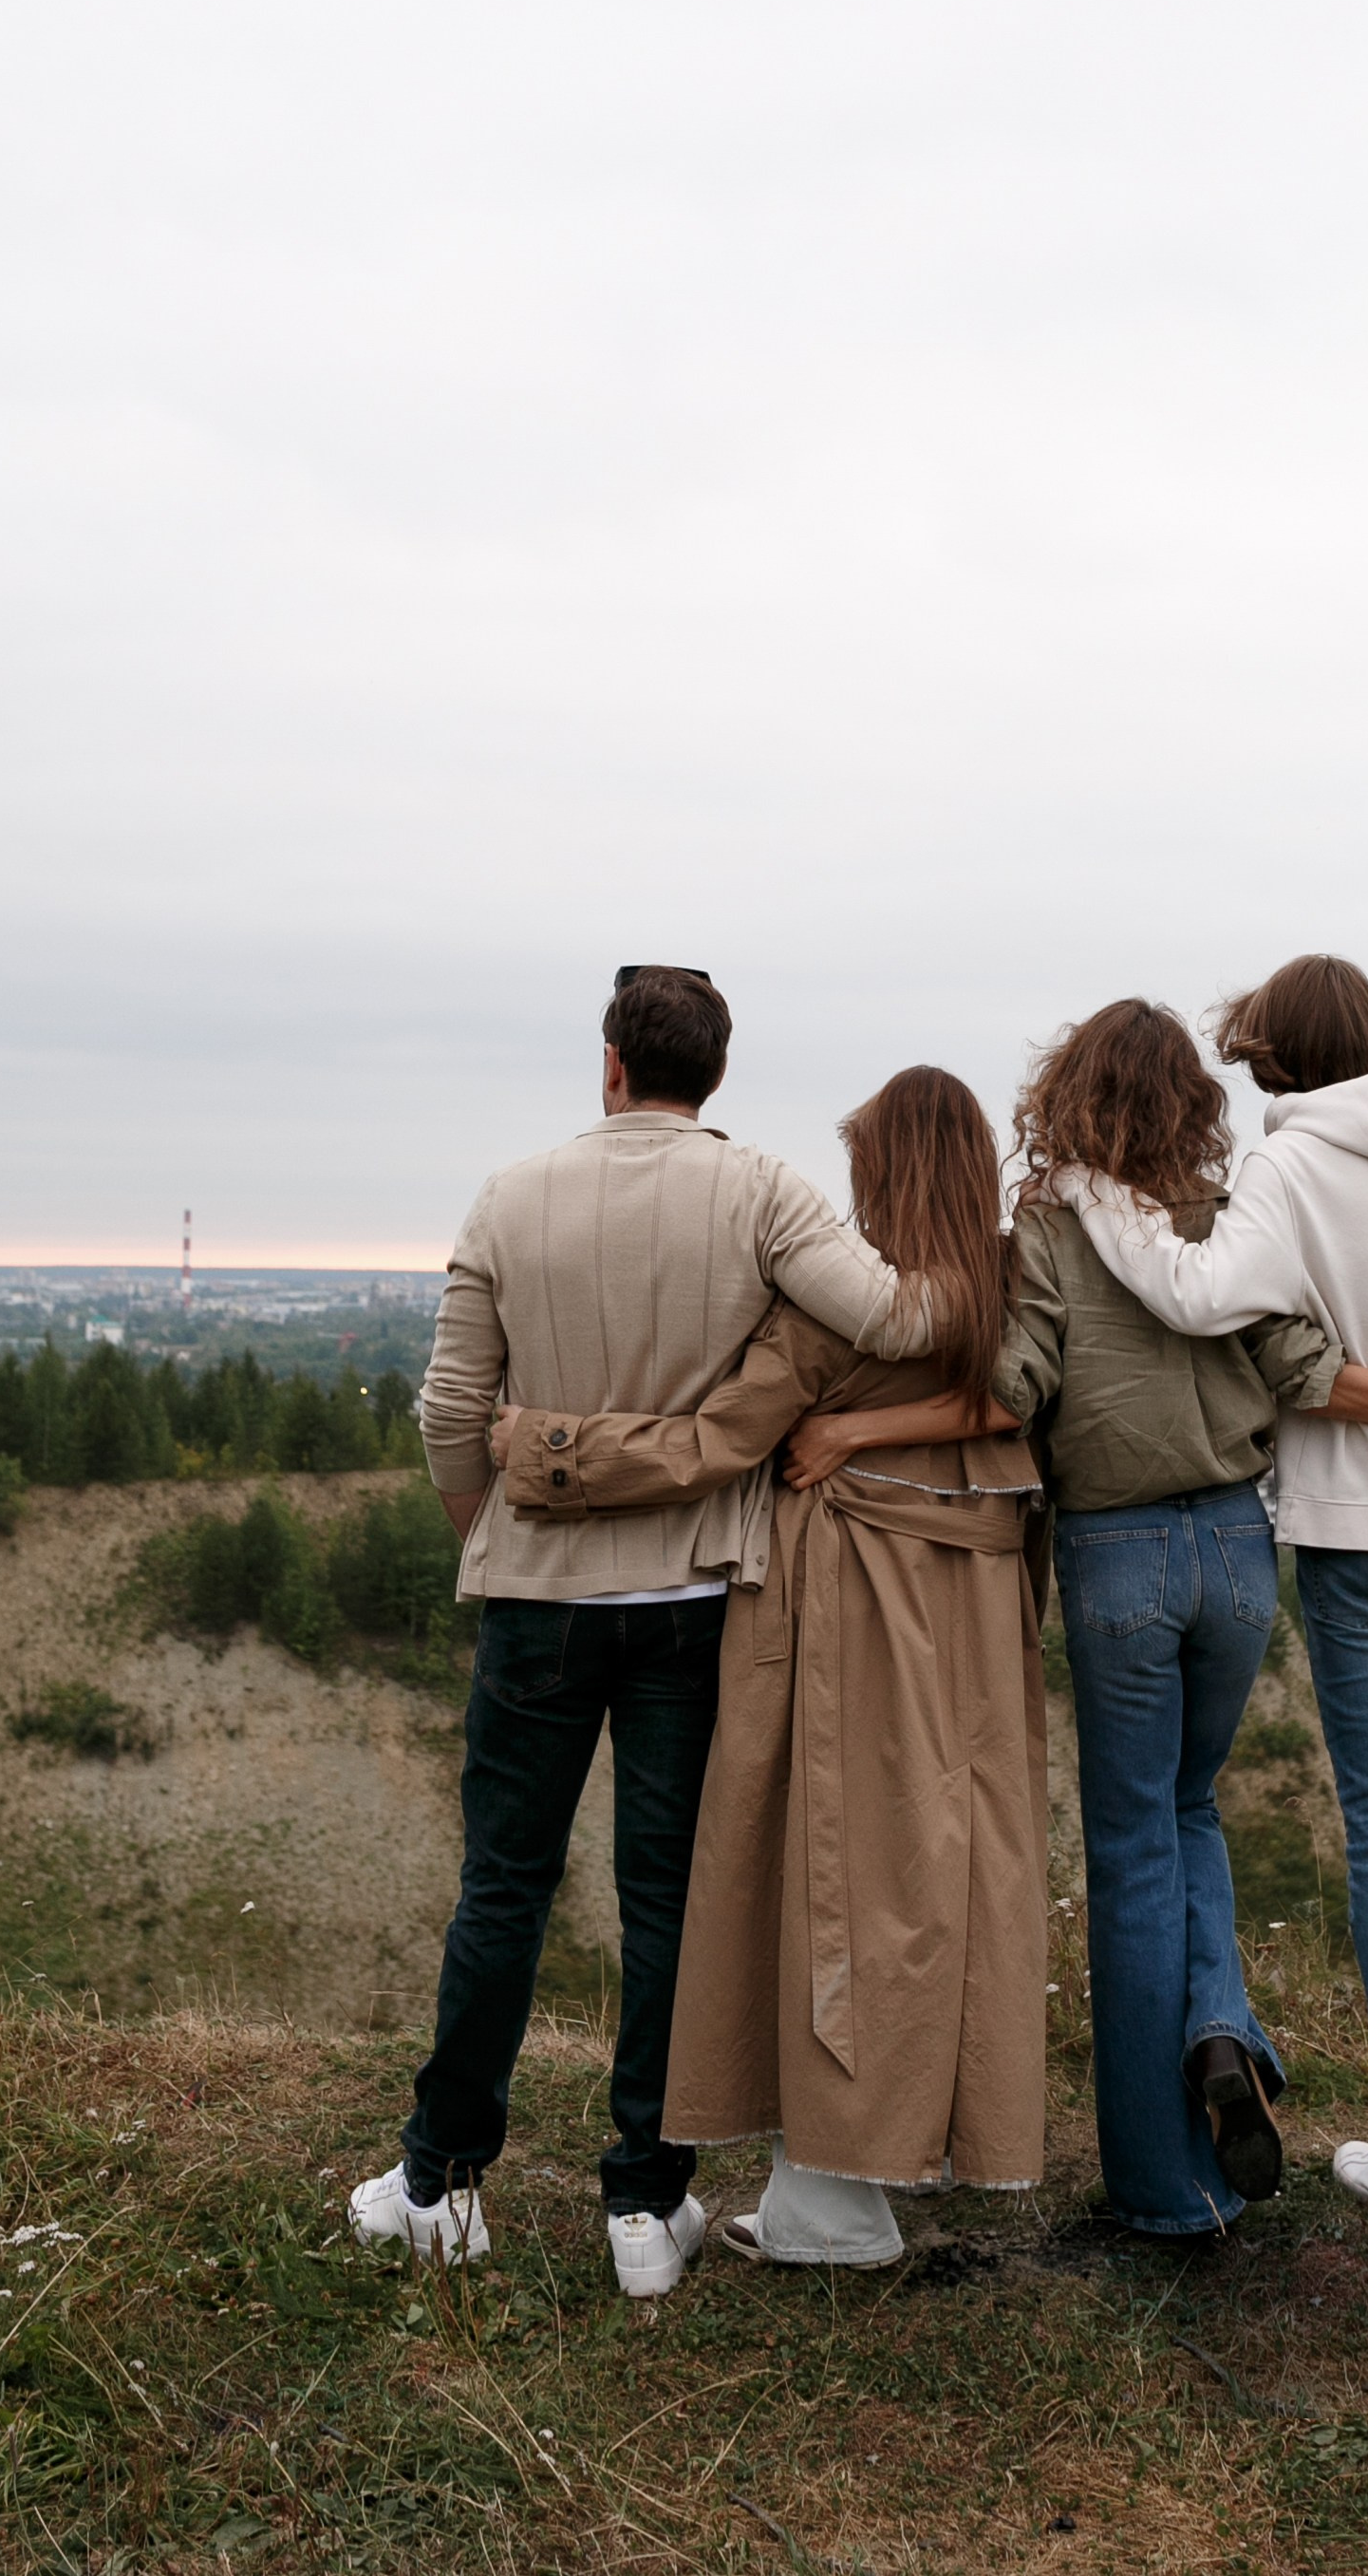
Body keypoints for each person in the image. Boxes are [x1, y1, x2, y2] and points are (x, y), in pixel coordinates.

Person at [348, 967, 931, 2300]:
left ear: (609, 1064)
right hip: (690, 1599)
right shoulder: (764, 1192)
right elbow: (893, 1317)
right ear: (710, 1075)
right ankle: (643, 2201)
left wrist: (485, 1537)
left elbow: (451, 1409)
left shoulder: (511, 1194)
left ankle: (440, 2176)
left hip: (540, 1596)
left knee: (505, 1887)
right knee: (667, 1897)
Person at [1000, 998, 1368, 2242]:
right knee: (1192, 1812)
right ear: (1191, 1100)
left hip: (1119, 1551)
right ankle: (1223, 2038)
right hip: (1239, 1549)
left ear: (1065, 1097)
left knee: (1132, 1843)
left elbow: (1016, 1379)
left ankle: (1158, 2186)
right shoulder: (1238, 1213)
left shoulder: (1047, 1218)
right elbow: (1308, 1370)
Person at [495, 1065, 1040, 2269]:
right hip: (977, 1627)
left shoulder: (825, 1314)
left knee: (821, 1879)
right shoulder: (1017, 1290)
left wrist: (541, 1451)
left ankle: (833, 2199)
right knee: (939, 1880)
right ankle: (875, 2170)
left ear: (881, 1173)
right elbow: (1035, 1400)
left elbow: (712, 1446)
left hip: (839, 1609)